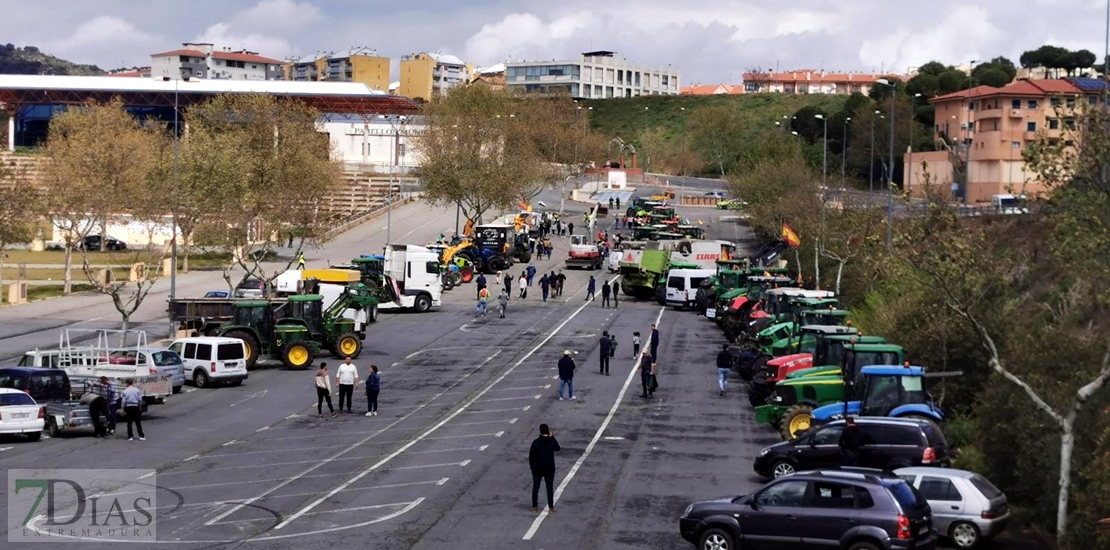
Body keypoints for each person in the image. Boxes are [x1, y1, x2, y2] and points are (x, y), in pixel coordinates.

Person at [529, 423, 561, 513]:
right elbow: (557, 448)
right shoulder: (551, 441)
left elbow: (531, 456)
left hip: (537, 469)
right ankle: (551, 507)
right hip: (549, 468)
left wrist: (532, 467)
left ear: (540, 431)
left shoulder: (535, 442)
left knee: (536, 487)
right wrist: (552, 437)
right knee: (549, 488)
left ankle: (535, 506)